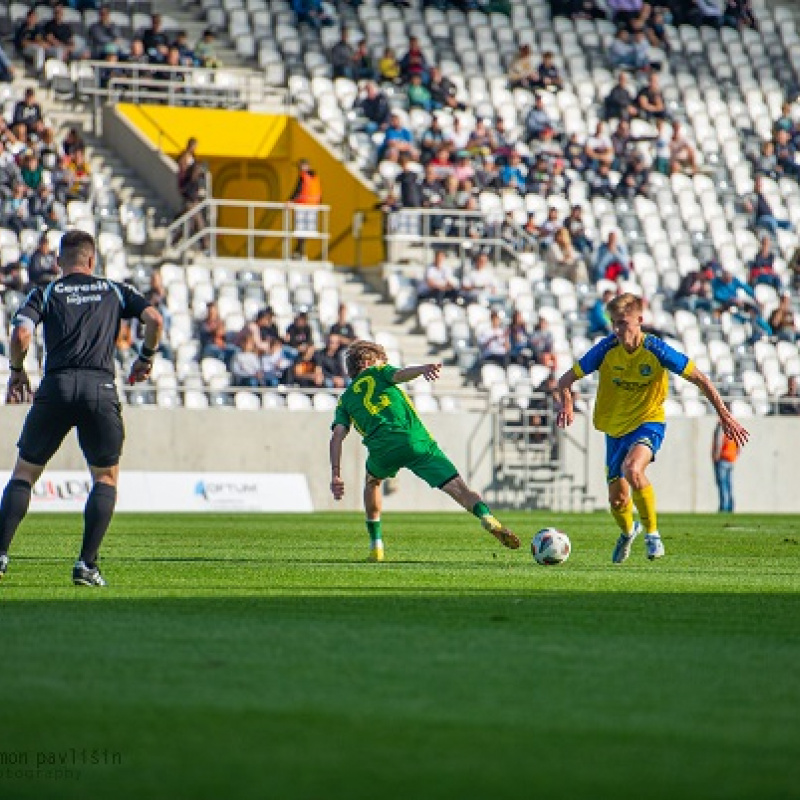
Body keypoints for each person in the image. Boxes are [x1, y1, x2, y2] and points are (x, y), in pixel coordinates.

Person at [0, 231, 163, 586]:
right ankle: (86, 565)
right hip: (100, 388)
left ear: (60, 262)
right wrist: (144, 359)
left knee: (25, 473)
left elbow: (21, 335)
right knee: (105, 478)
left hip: (56, 386)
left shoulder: (46, 292)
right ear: (92, 261)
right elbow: (155, 320)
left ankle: (0, 555)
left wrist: (16, 372)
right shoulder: (114, 290)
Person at [555, 292, 748, 564]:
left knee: (633, 470)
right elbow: (564, 380)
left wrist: (725, 415)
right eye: (615, 323)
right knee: (618, 501)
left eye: (624, 322)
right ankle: (628, 531)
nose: (619, 330)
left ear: (640, 320)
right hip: (615, 428)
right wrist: (567, 404)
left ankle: (652, 534)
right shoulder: (606, 349)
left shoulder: (657, 350)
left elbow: (700, 379)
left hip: (649, 421)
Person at [329, 340, 520, 562]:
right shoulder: (377, 372)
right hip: (415, 441)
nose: (385, 363)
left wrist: (336, 473)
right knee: (460, 489)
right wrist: (422, 369)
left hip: (381, 450)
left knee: (372, 482)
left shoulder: (344, 401)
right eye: (383, 360)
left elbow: (337, 436)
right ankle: (487, 517)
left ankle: (376, 545)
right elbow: (400, 374)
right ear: (368, 362)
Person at [290, 159, 322, 258]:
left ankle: (299, 252)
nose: (299, 169)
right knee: (306, 231)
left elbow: (298, 189)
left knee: (300, 231)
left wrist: (290, 200)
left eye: (300, 166)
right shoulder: (315, 177)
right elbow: (319, 192)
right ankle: (299, 251)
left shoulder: (304, 177)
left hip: (303, 206)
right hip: (313, 207)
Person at [712, 421, 739, 513]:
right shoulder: (733, 427)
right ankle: (730, 506)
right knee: (728, 485)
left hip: (722, 458)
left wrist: (716, 456)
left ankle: (724, 506)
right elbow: (738, 445)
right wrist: (735, 456)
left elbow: (719, 442)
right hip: (731, 459)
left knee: (722, 485)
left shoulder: (721, 427)